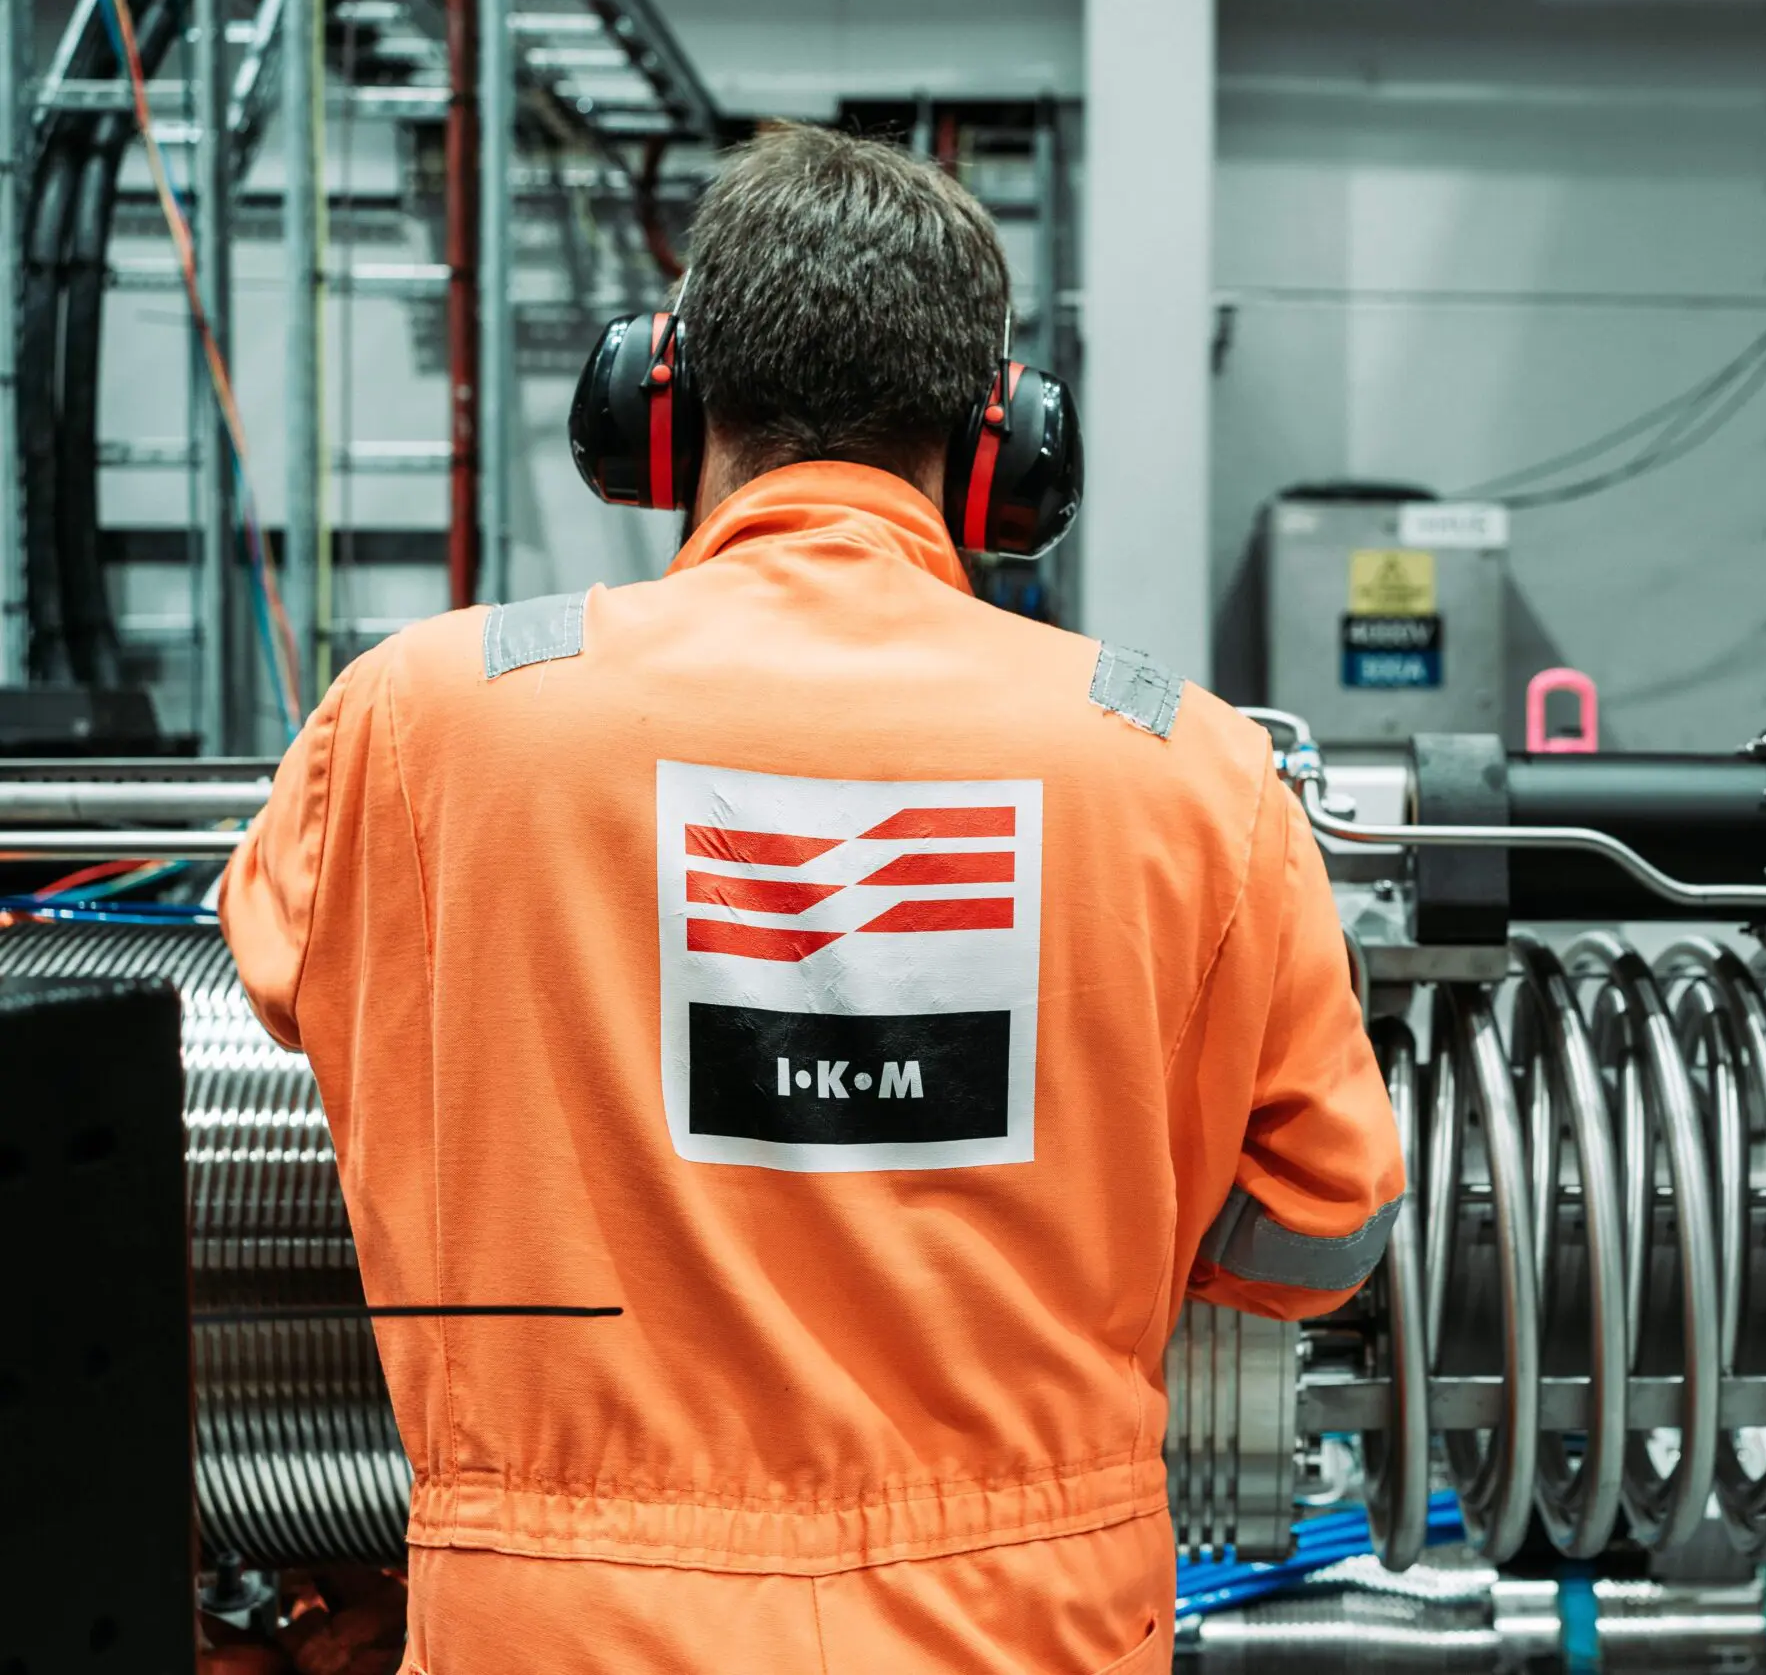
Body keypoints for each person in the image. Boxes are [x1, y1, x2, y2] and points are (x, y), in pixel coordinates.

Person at [221, 123, 1403, 1675]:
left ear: (659, 404)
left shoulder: (424, 716)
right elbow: (1325, 1232)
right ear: (1004, 446)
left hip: (567, 1629)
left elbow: (277, 976)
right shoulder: (1189, 767)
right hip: (1020, 1629)